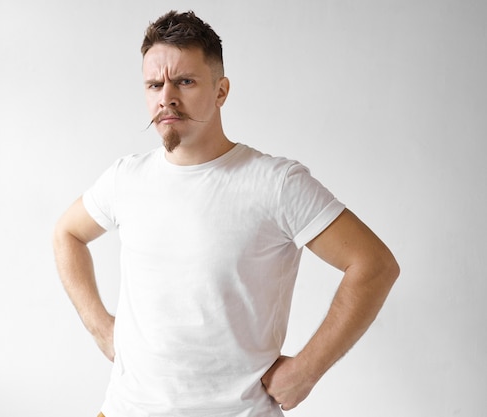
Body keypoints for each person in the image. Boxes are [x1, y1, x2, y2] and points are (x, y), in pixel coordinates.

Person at [53, 10, 399, 417]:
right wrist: (100, 327)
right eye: (153, 84)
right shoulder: (125, 178)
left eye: (184, 81)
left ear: (221, 91)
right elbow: (67, 234)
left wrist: (307, 371)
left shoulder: (274, 182)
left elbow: (374, 264)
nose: (166, 97)